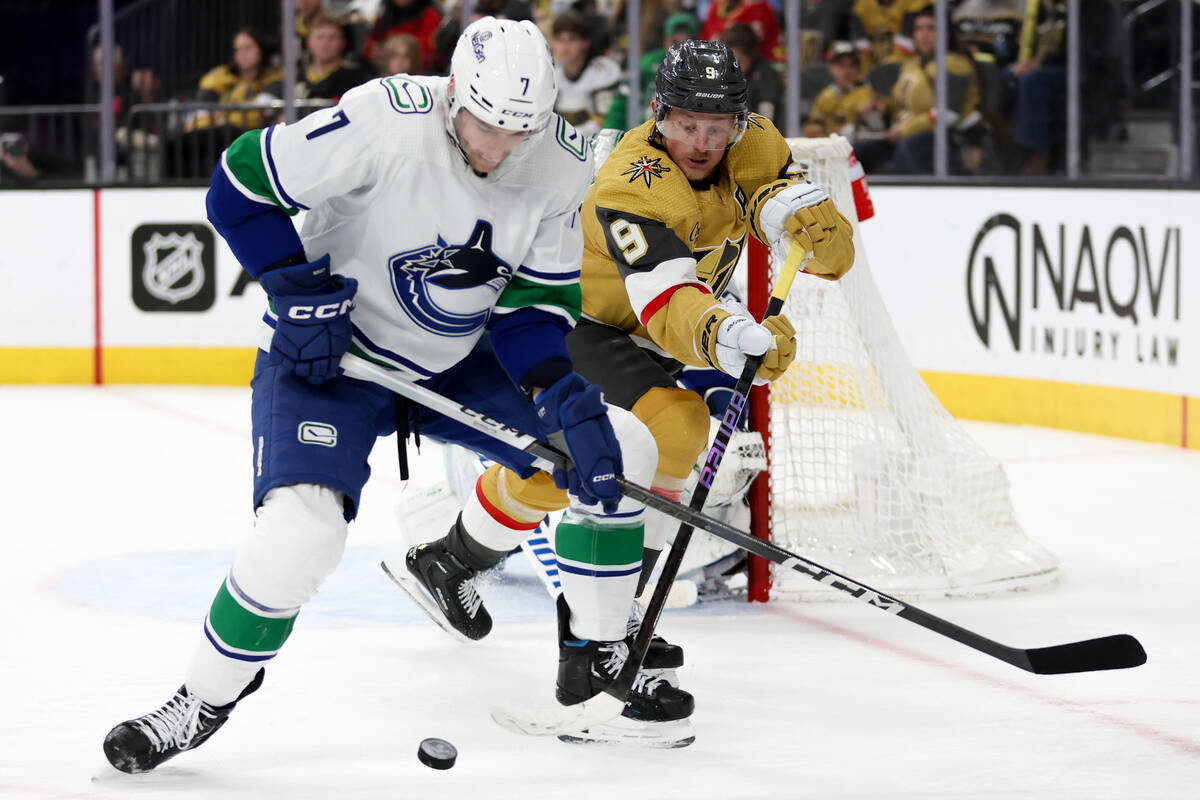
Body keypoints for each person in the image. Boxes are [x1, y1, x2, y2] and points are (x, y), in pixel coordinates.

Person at [101, 17, 669, 772]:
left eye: (520, 133)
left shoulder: (561, 161)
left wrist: (555, 388)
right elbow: (238, 183)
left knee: (622, 444)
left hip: (458, 358)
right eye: (486, 125)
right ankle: (202, 699)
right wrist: (292, 286)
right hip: (333, 358)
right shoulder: (382, 117)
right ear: (454, 95)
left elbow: (530, 302)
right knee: (301, 531)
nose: (499, 149)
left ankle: (596, 659)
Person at [395, 39, 855, 748]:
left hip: (640, 326)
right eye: (685, 124)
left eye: (716, 125)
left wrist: (810, 226)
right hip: (573, 317)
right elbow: (668, 298)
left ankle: (456, 558)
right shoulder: (631, 182)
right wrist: (729, 334)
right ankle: (597, 643)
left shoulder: (755, 141)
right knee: (639, 444)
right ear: (658, 114)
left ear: (739, 120)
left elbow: (777, 205)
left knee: (629, 448)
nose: (701, 142)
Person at [600, 11, 699, 131]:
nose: (680, 49)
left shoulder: (703, 69)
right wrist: (609, 133)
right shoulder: (647, 64)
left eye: (687, 43)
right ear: (666, 41)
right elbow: (621, 103)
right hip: (644, 133)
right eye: (675, 42)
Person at [550, 11, 622, 141]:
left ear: (585, 43)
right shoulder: (552, 73)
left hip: (596, 144)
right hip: (562, 145)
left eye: (571, 39)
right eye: (560, 40)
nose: (565, 47)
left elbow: (604, 119)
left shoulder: (602, 70)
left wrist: (565, 137)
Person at [803, 41, 875, 138]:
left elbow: (873, 125)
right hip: (829, 145)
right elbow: (813, 123)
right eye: (841, 65)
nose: (846, 71)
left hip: (857, 145)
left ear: (859, 69)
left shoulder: (867, 93)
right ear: (830, 68)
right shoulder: (826, 95)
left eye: (852, 66)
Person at [295, 12, 372, 101]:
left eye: (332, 37)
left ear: (343, 43)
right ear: (309, 43)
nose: (325, 43)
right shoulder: (298, 78)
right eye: (319, 37)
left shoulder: (356, 78)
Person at [362, 0, 444, 74]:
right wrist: (375, 52)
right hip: (384, 73)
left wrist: (394, 48)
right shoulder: (387, 15)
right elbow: (369, 46)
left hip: (418, 75)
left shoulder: (430, 15)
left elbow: (428, 51)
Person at [723, 23, 782, 123]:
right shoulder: (723, 75)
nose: (732, 67)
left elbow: (765, 119)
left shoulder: (766, 74)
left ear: (752, 55)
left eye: (738, 61)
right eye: (728, 61)